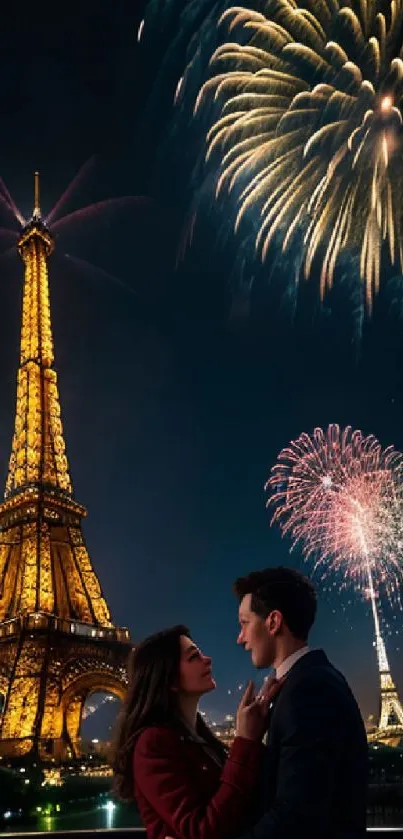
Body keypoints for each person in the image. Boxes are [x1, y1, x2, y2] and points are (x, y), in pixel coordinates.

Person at [113, 624, 282, 839]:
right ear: (170, 679)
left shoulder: (197, 737)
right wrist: (245, 740)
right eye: (194, 657)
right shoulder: (153, 742)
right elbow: (202, 831)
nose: (207, 659)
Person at [234, 566, 368, 839]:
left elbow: (295, 815)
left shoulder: (308, 690)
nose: (241, 638)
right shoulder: (306, 682)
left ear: (273, 622)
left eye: (244, 623)